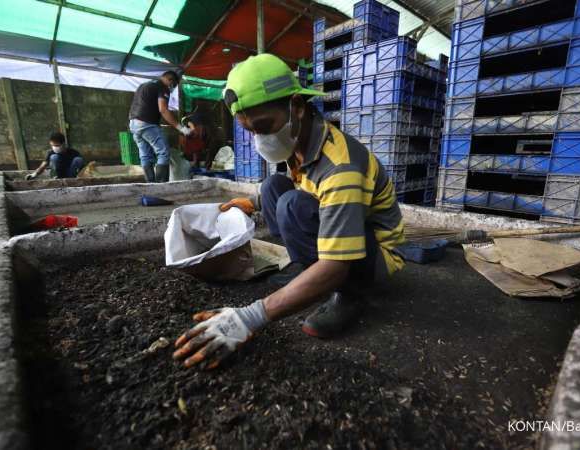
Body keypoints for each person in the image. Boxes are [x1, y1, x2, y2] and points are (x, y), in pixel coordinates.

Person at [173, 54, 406, 370]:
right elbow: (304, 189)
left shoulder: (340, 168)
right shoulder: (302, 140)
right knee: (272, 187)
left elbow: (337, 262)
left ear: (296, 105)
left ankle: (349, 295)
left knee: (292, 205)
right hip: (345, 231)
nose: (260, 139)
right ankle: (306, 270)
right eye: (250, 131)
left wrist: (251, 316)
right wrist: (251, 203)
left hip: (373, 257)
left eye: (264, 127)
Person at [129, 69, 190, 183]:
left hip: (134, 123)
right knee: (163, 152)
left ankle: (151, 185)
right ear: (169, 80)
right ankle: (162, 186)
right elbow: (163, 109)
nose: (172, 88)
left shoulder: (144, 85)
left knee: (145, 155)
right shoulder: (162, 87)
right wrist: (181, 128)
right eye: (173, 85)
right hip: (147, 124)